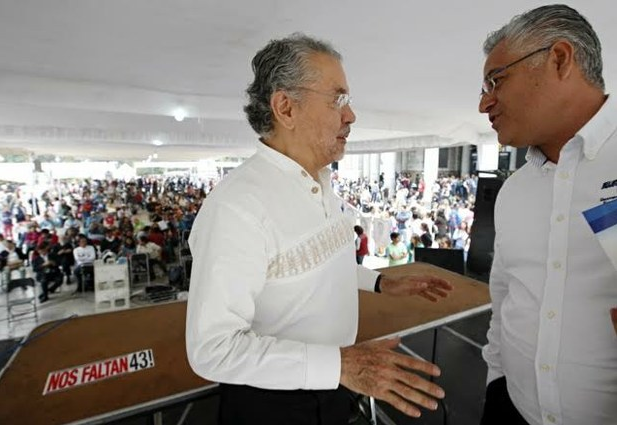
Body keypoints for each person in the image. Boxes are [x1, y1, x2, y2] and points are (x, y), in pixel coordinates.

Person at [186, 33, 453, 425]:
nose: (351, 115)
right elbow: (213, 349)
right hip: (275, 406)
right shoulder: (237, 207)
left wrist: (379, 283)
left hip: (333, 386)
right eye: (338, 98)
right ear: (285, 108)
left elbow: (311, 264)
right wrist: (342, 365)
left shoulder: (322, 182)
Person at [478, 5, 617, 425]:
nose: (485, 102)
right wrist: (495, 382)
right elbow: (503, 299)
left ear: (559, 58)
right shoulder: (513, 192)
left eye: (495, 80)